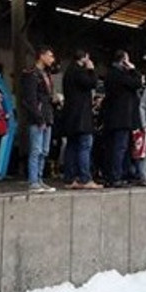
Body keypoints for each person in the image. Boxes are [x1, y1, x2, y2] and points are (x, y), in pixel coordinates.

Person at [59, 50, 100, 189]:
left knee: (72, 146)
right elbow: (93, 83)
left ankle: (69, 179)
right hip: (82, 117)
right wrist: (91, 70)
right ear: (83, 58)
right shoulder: (79, 72)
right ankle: (85, 178)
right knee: (85, 145)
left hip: (70, 116)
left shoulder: (68, 72)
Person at [20, 46, 57, 192]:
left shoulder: (46, 74)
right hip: (38, 117)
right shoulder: (31, 74)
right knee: (36, 149)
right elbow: (30, 99)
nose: (52, 59)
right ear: (41, 56)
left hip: (47, 115)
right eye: (50, 55)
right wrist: (38, 118)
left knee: (45, 150)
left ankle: (40, 179)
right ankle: (33, 181)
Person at [103, 50, 141, 187]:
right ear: (124, 61)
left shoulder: (110, 73)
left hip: (113, 116)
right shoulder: (120, 75)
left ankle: (117, 174)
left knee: (115, 147)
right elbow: (137, 83)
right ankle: (117, 176)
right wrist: (133, 70)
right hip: (122, 116)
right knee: (120, 147)